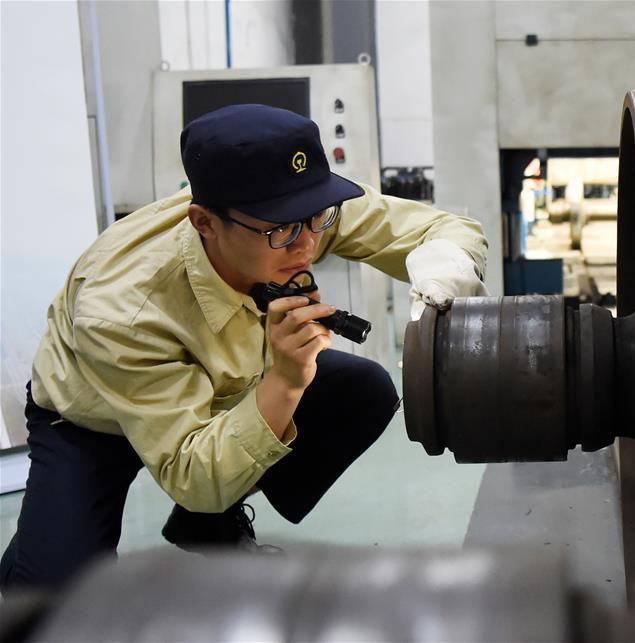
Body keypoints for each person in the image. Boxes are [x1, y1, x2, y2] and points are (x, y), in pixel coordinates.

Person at [0, 104, 488, 592]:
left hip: (224, 384)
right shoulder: (121, 308)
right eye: (282, 230)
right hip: (93, 418)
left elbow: (445, 230)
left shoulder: (293, 212)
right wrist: (285, 380)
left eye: (317, 219)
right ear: (205, 223)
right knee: (50, 600)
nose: (306, 245)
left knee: (363, 391)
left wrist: (441, 271)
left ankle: (205, 527)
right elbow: (190, 473)